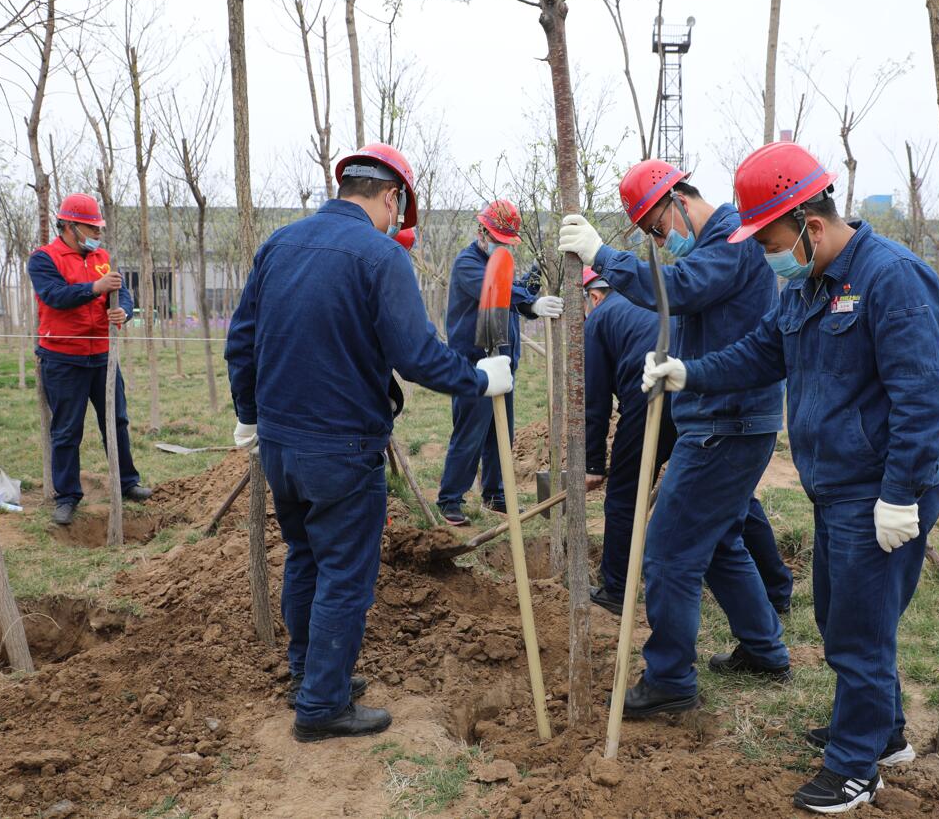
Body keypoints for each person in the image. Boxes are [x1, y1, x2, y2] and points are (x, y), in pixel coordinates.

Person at [641, 141, 939, 812]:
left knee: (855, 634)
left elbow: (925, 397)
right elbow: (761, 353)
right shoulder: (806, 284)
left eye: (769, 239)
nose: (762, 253)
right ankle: (884, 731)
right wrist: (688, 372)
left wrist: (900, 493)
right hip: (833, 488)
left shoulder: (891, 277)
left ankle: (854, 766)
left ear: (809, 224)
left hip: (880, 494)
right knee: (842, 617)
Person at [226, 143, 514, 743]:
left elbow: (243, 340)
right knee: (344, 573)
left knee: (306, 556)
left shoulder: (279, 245)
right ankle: (322, 707)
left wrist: (250, 418)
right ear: (391, 198)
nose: (394, 225)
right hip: (342, 447)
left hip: (279, 445)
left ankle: (310, 675)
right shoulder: (381, 258)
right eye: (396, 214)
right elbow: (415, 354)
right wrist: (479, 379)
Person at [558, 159, 795, 718]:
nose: (662, 243)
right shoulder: (718, 243)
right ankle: (765, 650)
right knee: (718, 542)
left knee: (666, 552)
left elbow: (682, 289)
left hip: (725, 424)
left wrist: (603, 257)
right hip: (721, 417)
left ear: (680, 201)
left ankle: (669, 679)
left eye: (659, 230)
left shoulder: (732, 238)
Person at [436, 200, 563, 526]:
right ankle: (450, 499)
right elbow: (498, 291)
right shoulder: (467, 264)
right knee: (470, 434)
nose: (501, 246)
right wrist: (532, 304)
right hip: (474, 366)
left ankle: (496, 495)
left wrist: (540, 271)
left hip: (503, 364)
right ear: (481, 231)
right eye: (497, 239)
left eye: (506, 242)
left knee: (499, 434)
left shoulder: (498, 260)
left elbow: (517, 289)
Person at [27, 194, 150, 526]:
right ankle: (67, 496)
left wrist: (123, 307)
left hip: (103, 356)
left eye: (98, 226)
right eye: (90, 226)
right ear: (69, 225)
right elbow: (54, 296)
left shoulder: (101, 256)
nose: (96, 232)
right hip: (63, 357)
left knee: (116, 421)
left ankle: (127, 482)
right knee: (67, 429)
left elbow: (120, 290)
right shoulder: (44, 259)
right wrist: (94, 287)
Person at [581, 266, 678, 615]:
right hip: (692, 384)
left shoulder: (599, 317)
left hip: (647, 395)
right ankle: (774, 585)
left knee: (624, 494)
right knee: (720, 492)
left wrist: (593, 464)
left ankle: (617, 590)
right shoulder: (653, 297)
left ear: (593, 296)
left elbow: (594, 400)